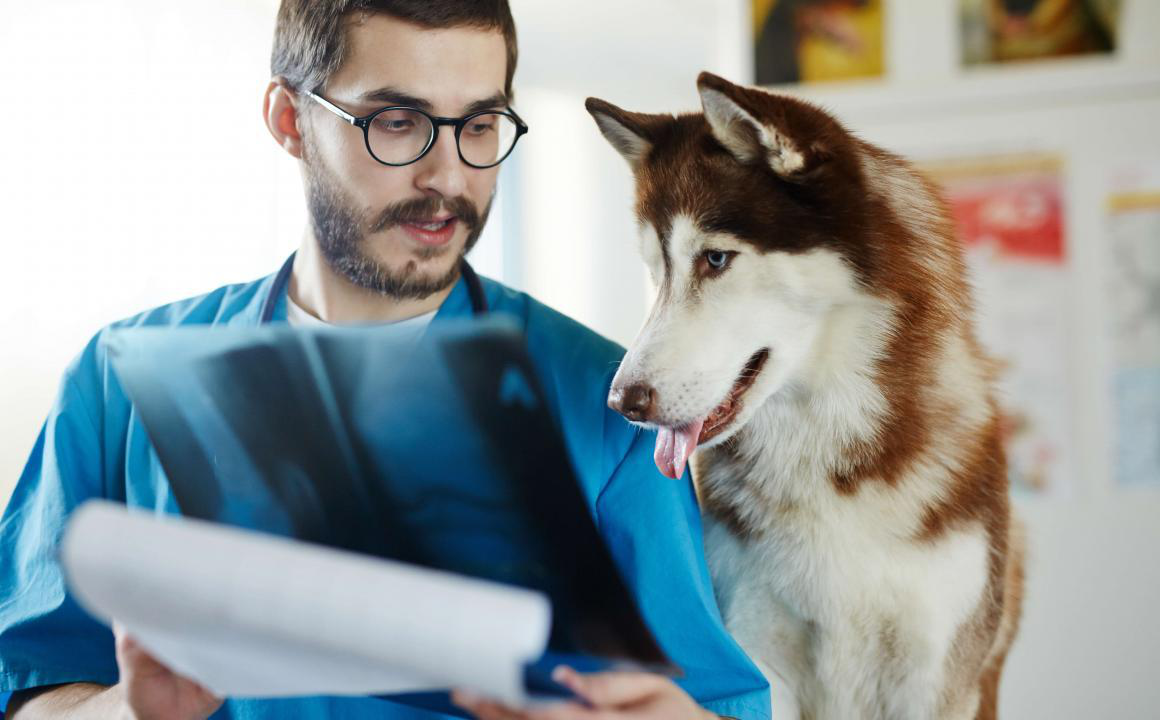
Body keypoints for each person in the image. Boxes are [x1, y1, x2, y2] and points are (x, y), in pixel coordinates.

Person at [0, 2, 770, 719]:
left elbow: (707, 698)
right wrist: (130, 710)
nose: (448, 177)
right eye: (397, 123)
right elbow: (29, 677)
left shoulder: (612, 410)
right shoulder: (116, 385)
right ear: (289, 118)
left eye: (479, 124)